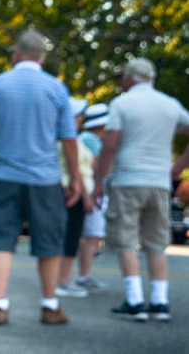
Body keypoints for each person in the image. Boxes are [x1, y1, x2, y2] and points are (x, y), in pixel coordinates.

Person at [0, 29, 84, 326]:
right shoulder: (56, 89)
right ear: (42, 58)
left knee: (1, 241)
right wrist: (76, 178)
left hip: (3, 175)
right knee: (49, 241)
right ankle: (49, 305)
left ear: (15, 54)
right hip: (45, 179)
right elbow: (69, 139)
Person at [93, 57, 189, 322]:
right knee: (156, 243)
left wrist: (100, 181)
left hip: (127, 180)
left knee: (125, 240)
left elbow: (110, 145)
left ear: (129, 78)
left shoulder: (121, 104)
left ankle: (134, 300)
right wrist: (178, 167)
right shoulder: (170, 105)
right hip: (159, 183)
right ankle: (160, 302)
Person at [55, 98, 95, 298]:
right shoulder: (68, 140)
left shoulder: (73, 138)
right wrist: (86, 197)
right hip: (74, 193)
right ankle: (62, 280)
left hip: (74, 191)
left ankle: (62, 278)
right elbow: (76, 170)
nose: (81, 118)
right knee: (71, 237)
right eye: (78, 115)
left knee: (70, 237)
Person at [74, 103, 111, 293]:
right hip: (94, 193)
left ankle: (84, 275)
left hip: (93, 192)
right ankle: (84, 276)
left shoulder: (89, 138)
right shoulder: (91, 140)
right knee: (92, 235)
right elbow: (97, 169)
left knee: (91, 235)